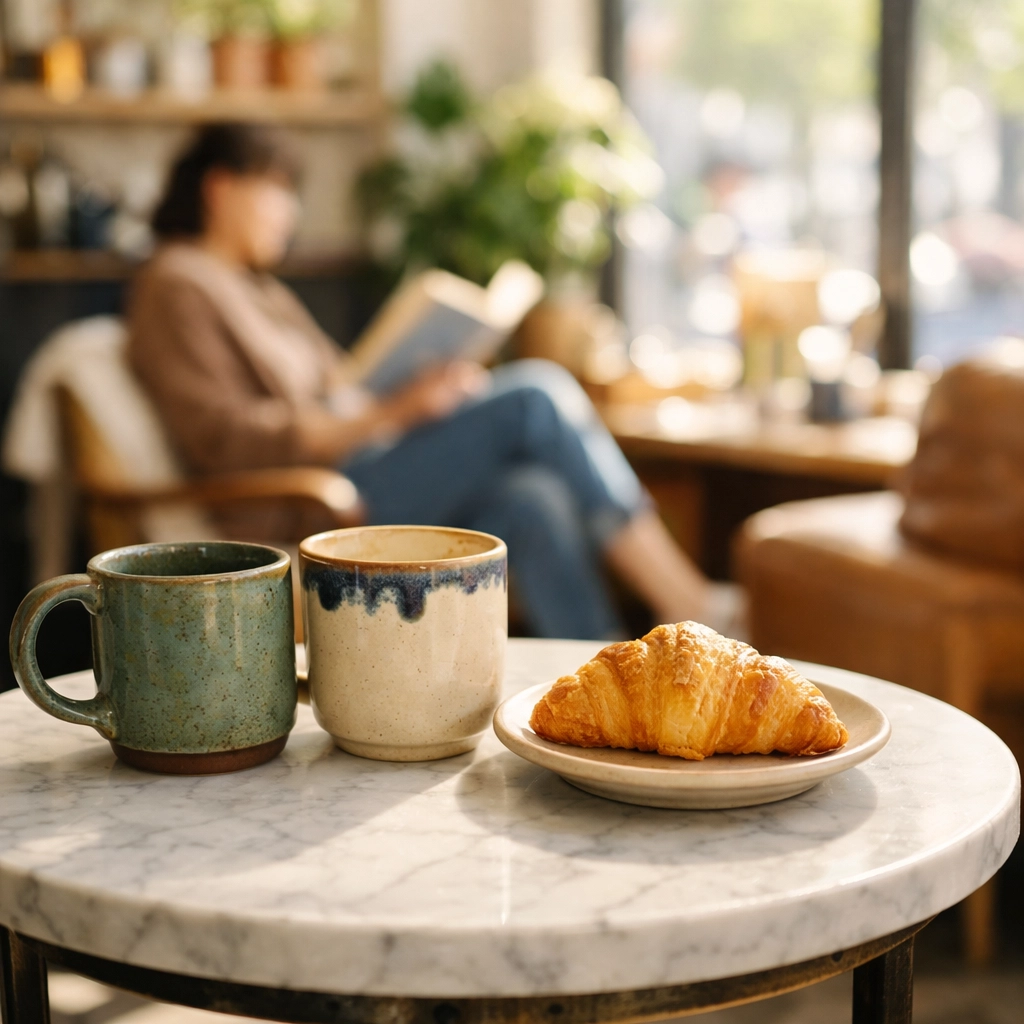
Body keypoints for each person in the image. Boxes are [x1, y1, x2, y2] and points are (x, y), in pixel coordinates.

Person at [129, 124, 729, 640]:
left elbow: (341, 383)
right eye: (278, 190)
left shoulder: (260, 288)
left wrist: (417, 390)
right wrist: (389, 414)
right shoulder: (176, 282)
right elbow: (220, 435)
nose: (290, 211)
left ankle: (608, 670)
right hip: (308, 499)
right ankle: (684, 597)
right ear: (221, 186)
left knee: (530, 497)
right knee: (535, 397)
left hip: (365, 458)